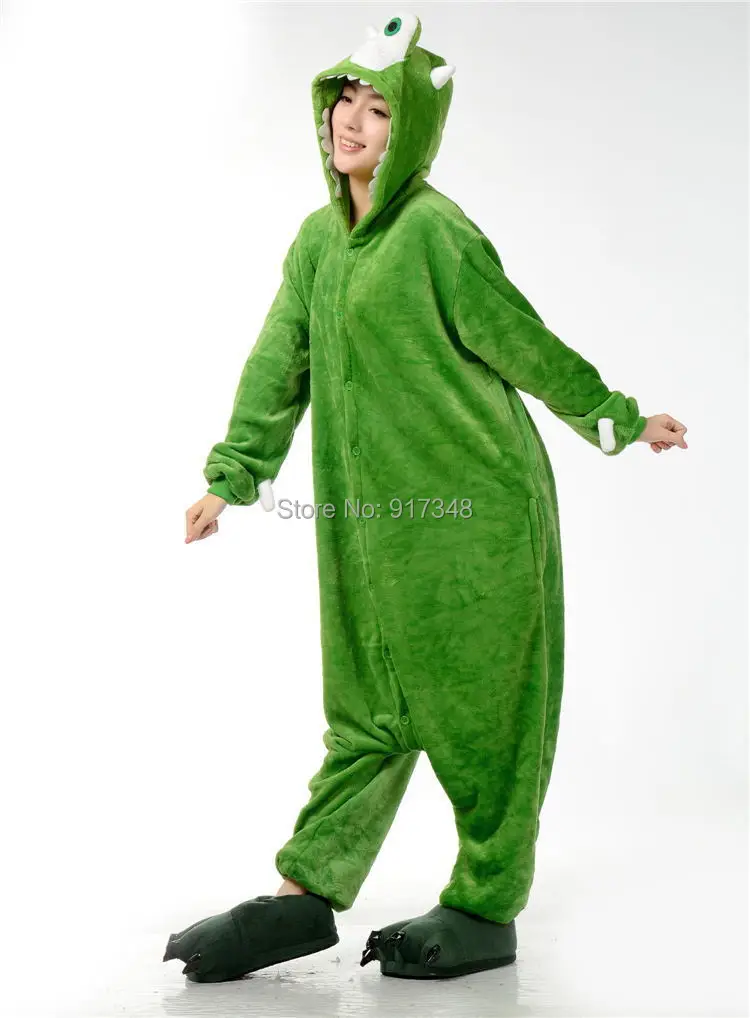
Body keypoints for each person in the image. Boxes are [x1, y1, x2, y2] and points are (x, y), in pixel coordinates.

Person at [165, 12, 688, 984]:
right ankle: (302, 895)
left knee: (482, 717)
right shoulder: (317, 243)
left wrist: (618, 418)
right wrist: (229, 477)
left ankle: (486, 906)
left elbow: (522, 342)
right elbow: (278, 365)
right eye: (344, 101)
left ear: (410, 132)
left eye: (377, 109)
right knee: (366, 713)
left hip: (475, 517)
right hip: (365, 529)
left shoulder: (438, 233)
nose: (351, 121)